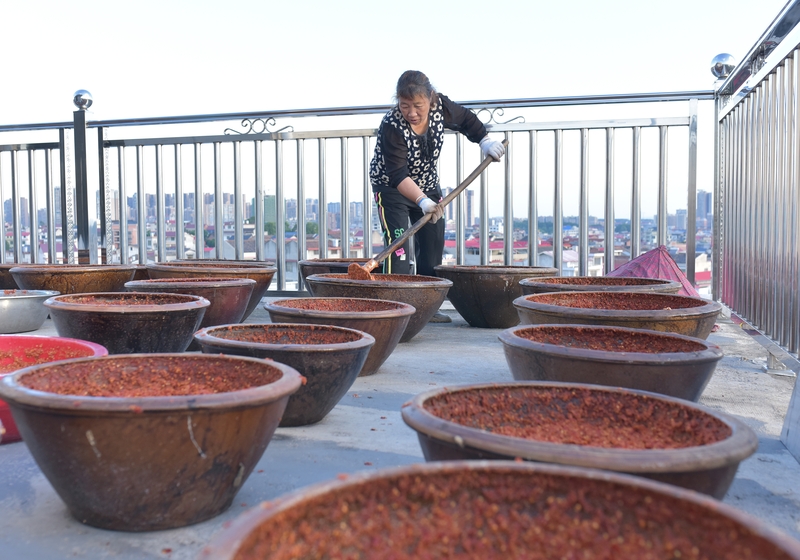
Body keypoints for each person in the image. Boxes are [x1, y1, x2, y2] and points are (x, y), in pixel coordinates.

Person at [369, 70, 505, 321]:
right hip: (391, 188)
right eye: (405, 105)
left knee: (432, 245)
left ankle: (425, 308)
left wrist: (484, 140)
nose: (411, 112)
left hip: (428, 184)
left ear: (430, 99)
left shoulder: (440, 106)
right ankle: (394, 310)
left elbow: (466, 120)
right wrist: (422, 201)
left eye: (418, 105)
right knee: (398, 246)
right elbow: (398, 175)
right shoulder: (392, 125)